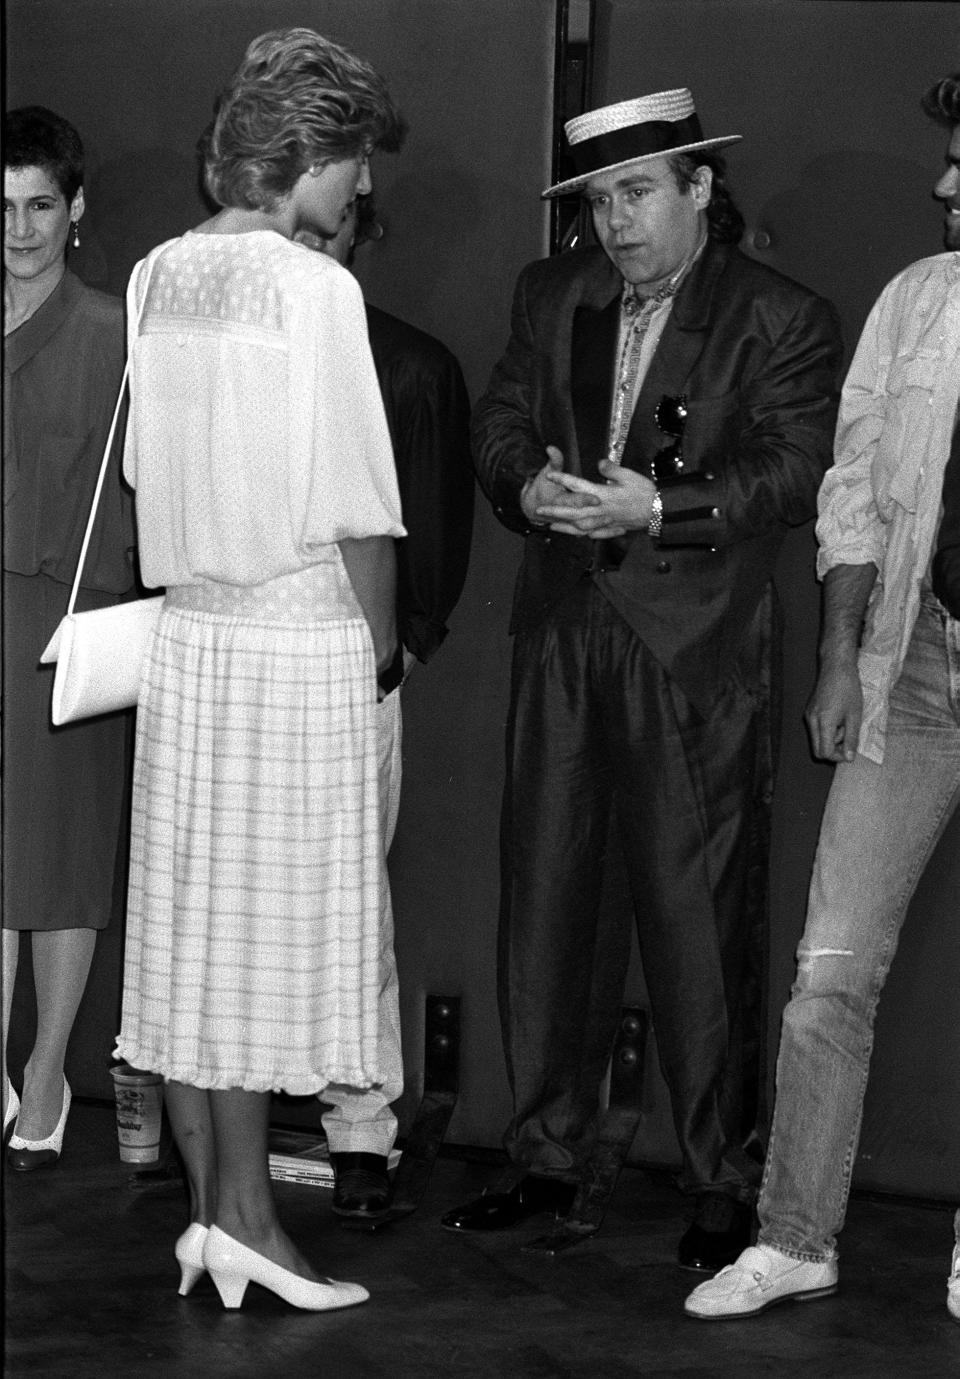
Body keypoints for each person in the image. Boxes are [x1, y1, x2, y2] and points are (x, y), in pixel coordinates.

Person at [443, 87, 843, 1271]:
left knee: (699, 919)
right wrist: (528, 489)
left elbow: (792, 473)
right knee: (549, 901)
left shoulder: (781, 317)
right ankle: (548, 1154)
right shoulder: (551, 292)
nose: (615, 224)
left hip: (695, 645)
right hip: (564, 627)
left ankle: (724, 1176)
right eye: (598, 202)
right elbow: (501, 418)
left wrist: (657, 504)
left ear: (700, 189)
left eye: (636, 194)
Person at [113, 27, 405, 1312]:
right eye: (353, 166)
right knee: (259, 951)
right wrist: (382, 660)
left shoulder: (152, 274)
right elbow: (360, 506)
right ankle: (248, 1225)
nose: (360, 194)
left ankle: (224, 1217)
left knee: (192, 955)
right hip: (295, 643)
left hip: (191, 640)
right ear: (310, 155)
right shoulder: (316, 291)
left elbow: (140, 480)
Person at [685, 70, 960, 1322]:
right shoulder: (917, 301)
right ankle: (796, 1232)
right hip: (910, 667)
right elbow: (852, 486)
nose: (948, 186)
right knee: (828, 968)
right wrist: (843, 659)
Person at [300, 195, 474, 1217]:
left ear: (364, 233)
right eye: (299, 234)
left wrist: (393, 651)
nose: (313, 254)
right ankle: (205, 1100)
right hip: (240, 654)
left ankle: (361, 1123)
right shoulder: (240, 351)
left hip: (354, 665)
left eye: (332, 235)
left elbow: (437, 541)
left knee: (350, 899)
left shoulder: (411, 366)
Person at [3, 107, 135, 1170]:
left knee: (62, 859)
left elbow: (141, 494)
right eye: (3, 208)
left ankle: (46, 1068)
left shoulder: (114, 330)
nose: (21, 227)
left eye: (40, 204)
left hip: (67, 626)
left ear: (76, 207)